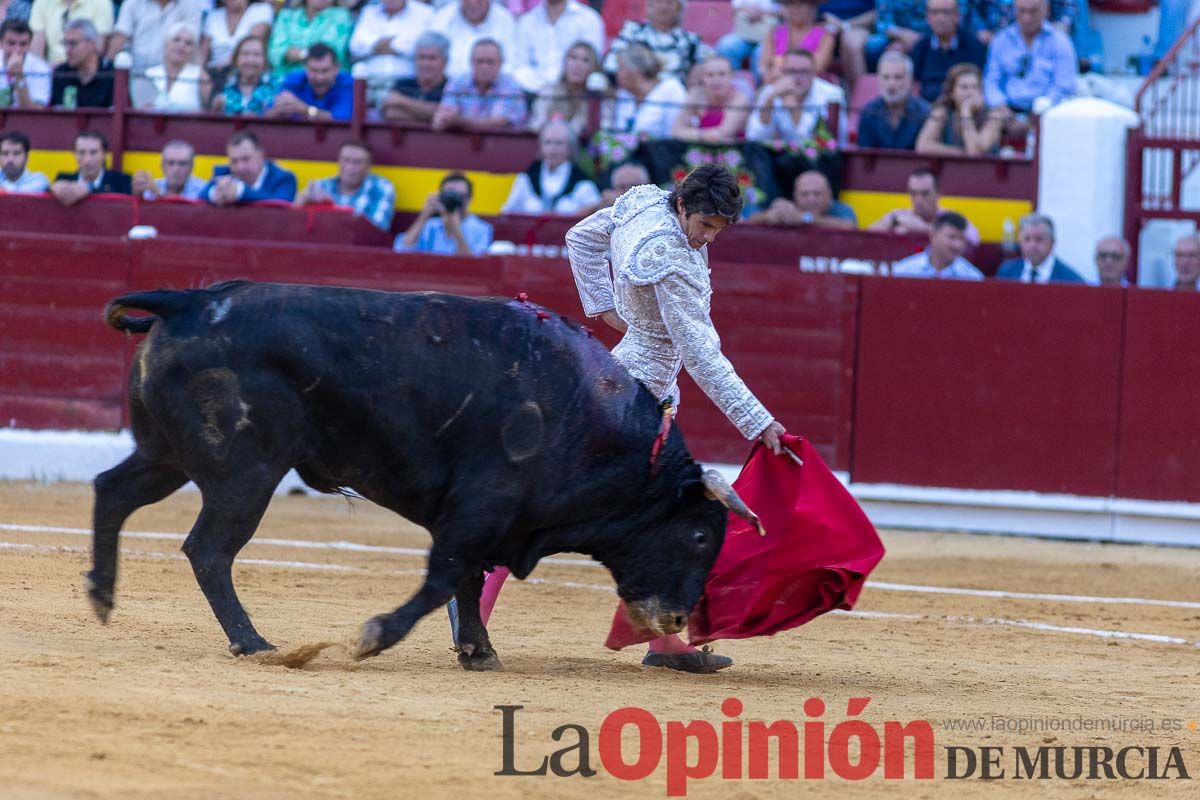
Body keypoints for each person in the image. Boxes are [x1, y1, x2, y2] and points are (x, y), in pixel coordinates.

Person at [450, 163, 788, 674]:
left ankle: (663, 638)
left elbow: (582, 237)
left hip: (631, 383)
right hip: (635, 397)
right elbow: (700, 353)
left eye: (717, 230)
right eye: (704, 225)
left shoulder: (646, 206)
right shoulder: (669, 259)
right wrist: (756, 421)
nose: (707, 238)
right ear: (683, 206)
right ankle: (475, 594)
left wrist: (602, 304)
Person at [982, 0, 1076, 114]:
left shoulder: (1060, 42)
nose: (1027, 18)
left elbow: (1064, 85)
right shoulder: (1001, 40)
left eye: (1033, 11)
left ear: (1046, 10)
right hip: (1007, 112)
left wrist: (1044, 105)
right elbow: (991, 80)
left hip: (1048, 111)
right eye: (1022, 11)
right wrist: (999, 105)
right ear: (1014, 11)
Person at [745, 48, 845, 146]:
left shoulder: (832, 94)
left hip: (820, 160)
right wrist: (769, 101)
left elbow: (823, 142)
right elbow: (754, 137)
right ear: (782, 71)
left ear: (814, 73)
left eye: (803, 71)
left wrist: (793, 107)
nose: (797, 77)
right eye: (791, 71)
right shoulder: (771, 92)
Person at [501, 119, 600, 215]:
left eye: (559, 143)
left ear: (570, 148)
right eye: (548, 142)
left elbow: (597, 218)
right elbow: (506, 214)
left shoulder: (583, 183)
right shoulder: (526, 178)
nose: (552, 149)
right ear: (541, 147)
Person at [602, 0, 712, 85]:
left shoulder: (691, 40)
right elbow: (611, 63)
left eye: (669, 2)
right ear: (649, 7)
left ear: (679, 9)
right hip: (633, 92)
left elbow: (709, 67)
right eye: (658, 1)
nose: (663, 7)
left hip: (675, 98)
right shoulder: (632, 31)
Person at [296, 139, 396, 231]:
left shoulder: (381, 188)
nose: (349, 167)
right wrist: (303, 201)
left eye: (357, 162)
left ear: (368, 166)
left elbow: (377, 230)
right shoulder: (320, 185)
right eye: (346, 160)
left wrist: (331, 207)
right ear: (338, 161)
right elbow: (293, 224)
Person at [432, 37, 527, 131]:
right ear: (471, 62)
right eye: (479, 61)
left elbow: (499, 123)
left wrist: (458, 121)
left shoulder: (511, 86)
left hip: (502, 143)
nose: (484, 67)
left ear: (501, 63)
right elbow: (446, 114)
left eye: (490, 62)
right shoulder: (458, 82)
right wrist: (444, 119)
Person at [510, 0, 604, 94]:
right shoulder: (527, 21)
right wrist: (546, 89)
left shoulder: (589, 19)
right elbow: (519, 67)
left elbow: (593, 65)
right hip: (532, 94)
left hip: (578, 95)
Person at [867, 168, 980, 246]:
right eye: (914, 193)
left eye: (925, 194)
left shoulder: (951, 218)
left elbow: (974, 239)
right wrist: (893, 222)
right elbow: (866, 236)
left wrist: (924, 228)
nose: (919, 200)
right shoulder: (899, 216)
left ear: (938, 194)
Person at [348, 0, 433, 101]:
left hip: (407, 82)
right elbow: (355, 47)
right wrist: (399, 43)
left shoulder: (424, 13)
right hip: (371, 81)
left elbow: (419, 47)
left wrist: (376, 45)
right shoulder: (368, 12)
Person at [916, 62, 1006, 156]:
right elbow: (923, 146)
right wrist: (960, 153)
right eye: (964, 87)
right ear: (951, 92)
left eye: (975, 87)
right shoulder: (942, 112)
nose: (970, 92)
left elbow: (975, 152)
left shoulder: (993, 116)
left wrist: (966, 113)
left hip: (986, 169)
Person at [395, 171, 494, 256]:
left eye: (460, 196)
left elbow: (476, 266)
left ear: (469, 199)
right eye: (449, 194)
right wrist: (424, 216)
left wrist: (456, 230)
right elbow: (400, 251)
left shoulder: (482, 229)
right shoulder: (430, 225)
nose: (454, 201)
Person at [604, 42, 687, 139]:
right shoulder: (624, 94)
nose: (617, 73)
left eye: (621, 68)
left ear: (636, 71)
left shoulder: (671, 90)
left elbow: (676, 135)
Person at [909, 0, 986, 103]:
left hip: (963, 104)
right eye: (935, 12)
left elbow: (977, 81)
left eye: (945, 12)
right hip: (927, 108)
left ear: (957, 16)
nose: (940, 18)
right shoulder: (921, 46)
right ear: (927, 16)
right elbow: (913, 82)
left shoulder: (974, 46)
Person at [855, 51, 929, 150]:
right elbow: (863, 155)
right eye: (886, 77)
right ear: (879, 79)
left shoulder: (924, 112)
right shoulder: (868, 112)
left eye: (898, 77)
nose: (891, 84)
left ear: (910, 80)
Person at [426, 0, 516, 81]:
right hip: (448, 87)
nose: (472, 2)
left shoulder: (505, 20)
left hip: (496, 88)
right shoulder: (442, 19)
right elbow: (432, 59)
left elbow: (512, 63)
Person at [107, 0, 204, 75]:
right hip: (137, 73)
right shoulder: (133, 2)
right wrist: (107, 66)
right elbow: (120, 37)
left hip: (174, 76)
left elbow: (192, 44)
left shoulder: (191, 4)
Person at [671, 54, 752, 144]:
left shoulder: (740, 99)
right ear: (703, 78)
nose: (716, 80)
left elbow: (724, 133)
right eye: (710, 75)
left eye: (722, 74)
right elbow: (676, 130)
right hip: (699, 151)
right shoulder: (696, 94)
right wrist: (703, 135)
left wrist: (691, 133)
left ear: (731, 77)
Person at [526, 40, 599, 138]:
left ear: (593, 67)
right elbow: (536, 126)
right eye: (573, 58)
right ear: (565, 62)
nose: (577, 65)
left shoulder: (598, 98)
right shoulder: (548, 92)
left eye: (585, 60)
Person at [203, 130, 298, 206]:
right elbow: (199, 197)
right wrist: (215, 194)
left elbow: (280, 206)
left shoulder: (284, 178)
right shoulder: (224, 172)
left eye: (246, 159)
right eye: (234, 161)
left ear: (261, 156)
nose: (240, 167)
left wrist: (239, 192)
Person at [132, 22, 210, 111]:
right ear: (166, 44)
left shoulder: (200, 74)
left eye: (188, 43)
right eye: (176, 40)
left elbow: (211, 109)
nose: (181, 45)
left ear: (193, 50)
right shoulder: (148, 74)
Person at [268, 42, 353, 120]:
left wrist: (306, 110)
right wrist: (278, 110)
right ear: (305, 68)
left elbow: (341, 120)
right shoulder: (293, 80)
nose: (320, 77)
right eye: (314, 70)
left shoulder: (347, 83)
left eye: (325, 70)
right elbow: (268, 115)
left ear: (337, 68)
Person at [267, 0, 353, 77]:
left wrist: (294, 54)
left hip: (326, 82)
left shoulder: (342, 16)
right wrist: (307, 54)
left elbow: (329, 53)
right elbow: (275, 52)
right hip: (284, 80)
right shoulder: (287, 15)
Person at [379, 30, 450, 124]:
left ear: (445, 62)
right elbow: (390, 112)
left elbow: (446, 115)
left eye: (432, 58)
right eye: (421, 57)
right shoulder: (403, 84)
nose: (426, 63)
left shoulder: (451, 86)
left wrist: (401, 101)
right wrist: (429, 115)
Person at [748, 169, 855, 229]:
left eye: (817, 194)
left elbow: (850, 227)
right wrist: (769, 216)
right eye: (805, 194)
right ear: (795, 196)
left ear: (829, 195)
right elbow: (749, 219)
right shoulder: (789, 209)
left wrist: (805, 218)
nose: (811, 199)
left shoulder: (841, 209)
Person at [995, 212, 1085, 283]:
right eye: (1027, 239)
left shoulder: (1071, 280)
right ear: (1020, 241)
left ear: (1052, 242)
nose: (1032, 245)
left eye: (1039, 239)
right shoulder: (1006, 272)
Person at [891, 211, 983, 280]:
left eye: (961, 239)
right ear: (933, 235)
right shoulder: (904, 271)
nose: (957, 245)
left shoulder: (972, 277)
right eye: (952, 237)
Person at [49, 129, 131, 206]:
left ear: (104, 155)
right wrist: (51, 188)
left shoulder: (122, 181)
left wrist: (89, 188)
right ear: (75, 155)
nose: (87, 160)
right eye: (81, 152)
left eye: (93, 152)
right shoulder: (62, 179)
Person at [758, 0, 833, 82]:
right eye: (791, 3)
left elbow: (818, 66)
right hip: (777, 82)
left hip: (812, 85)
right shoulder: (774, 33)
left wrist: (779, 65)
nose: (796, 8)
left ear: (812, 7)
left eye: (802, 3)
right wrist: (767, 74)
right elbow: (763, 65)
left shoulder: (825, 35)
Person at [48, 18, 113, 107]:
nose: (67, 50)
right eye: (65, 43)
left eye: (73, 43)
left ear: (92, 44)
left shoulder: (111, 74)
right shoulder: (61, 74)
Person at [28, 0, 112, 65]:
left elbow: (97, 47)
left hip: (84, 70)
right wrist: (44, 69)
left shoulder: (102, 2)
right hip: (50, 71)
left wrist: (63, 68)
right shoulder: (42, 2)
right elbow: (36, 51)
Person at [200, 0, 273, 75]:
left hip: (247, 68)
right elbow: (203, 54)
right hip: (213, 72)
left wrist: (225, 68)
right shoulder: (213, 16)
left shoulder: (261, 10)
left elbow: (252, 43)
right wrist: (201, 73)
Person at [211, 34, 277, 115]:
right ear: (236, 59)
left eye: (257, 54)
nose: (250, 60)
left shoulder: (276, 85)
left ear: (265, 59)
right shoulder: (222, 84)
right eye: (245, 54)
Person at [132, 139, 205, 200]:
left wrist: (158, 194)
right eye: (170, 163)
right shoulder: (151, 187)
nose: (176, 169)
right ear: (162, 166)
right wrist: (138, 195)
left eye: (182, 164)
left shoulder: (204, 189)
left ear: (191, 167)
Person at [1, 19, 51, 107]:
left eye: (23, 44)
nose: (17, 50)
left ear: (29, 44)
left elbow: (34, 113)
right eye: (11, 43)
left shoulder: (41, 68)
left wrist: (19, 76)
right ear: (1, 43)